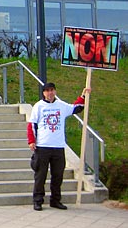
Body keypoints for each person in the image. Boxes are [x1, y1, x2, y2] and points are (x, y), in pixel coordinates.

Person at [27, 82, 90, 211]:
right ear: (43, 93)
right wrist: (31, 141)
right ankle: (38, 200)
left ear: (55, 91)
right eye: (47, 91)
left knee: (58, 176)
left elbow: (76, 108)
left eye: (52, 90)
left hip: (58, 147)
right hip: (42, 146)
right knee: (40, 176)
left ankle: (55, 200)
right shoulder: (38, 106)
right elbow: (32, 124)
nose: (50, 93)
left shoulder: (61, 105)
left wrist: (83, 96)